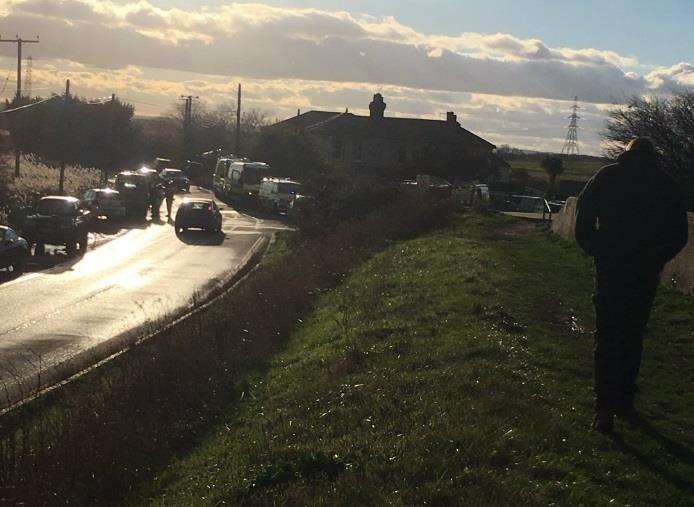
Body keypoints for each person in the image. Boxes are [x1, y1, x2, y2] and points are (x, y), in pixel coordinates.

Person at [575, 137, 688, 433]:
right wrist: (657, 259)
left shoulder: (607, 176)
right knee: (632, 335)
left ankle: (604, 408)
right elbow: (679, 234)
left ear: (627, 153)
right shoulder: (665, 184)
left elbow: (583, 219)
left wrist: (597, 249)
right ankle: (624, 400)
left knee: (607, 334)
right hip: (644, 271)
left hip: (610, 269)